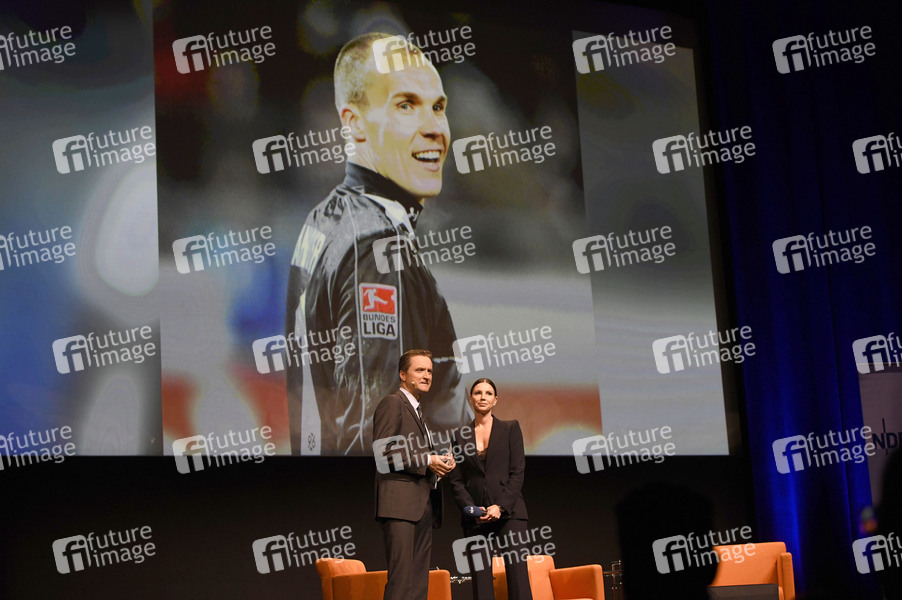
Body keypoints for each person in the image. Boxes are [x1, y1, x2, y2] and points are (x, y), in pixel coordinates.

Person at [286, 32, 467, 456]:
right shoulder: (378, 245)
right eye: (406, 105)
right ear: (354, 124)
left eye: (437, 107)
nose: (433, 129)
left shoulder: (324, 217)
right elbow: (374, 438)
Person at [373, 349, 457, 600]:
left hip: (423, 505)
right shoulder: (392, 403)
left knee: (419, 585)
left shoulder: (419, 411)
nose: (427, 375)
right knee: (401, 583)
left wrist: (439, 465)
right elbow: (384, 452)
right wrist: (428, 460)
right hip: (400, 506)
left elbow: (418, 458)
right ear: (403, 375)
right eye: (419, 370)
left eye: (429, 370)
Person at [448, 378, 533, 600]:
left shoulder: (510, 428)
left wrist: (500, 507)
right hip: (475, 518)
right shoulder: (459, 436)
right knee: (481, 584)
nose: (483, 397)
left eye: (488, 393)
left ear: (495, 400)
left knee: (518, 580)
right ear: (470, 398)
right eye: (478, 393)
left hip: (510, 513)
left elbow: (517, 472)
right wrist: (472, 510)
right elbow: (456, 481)